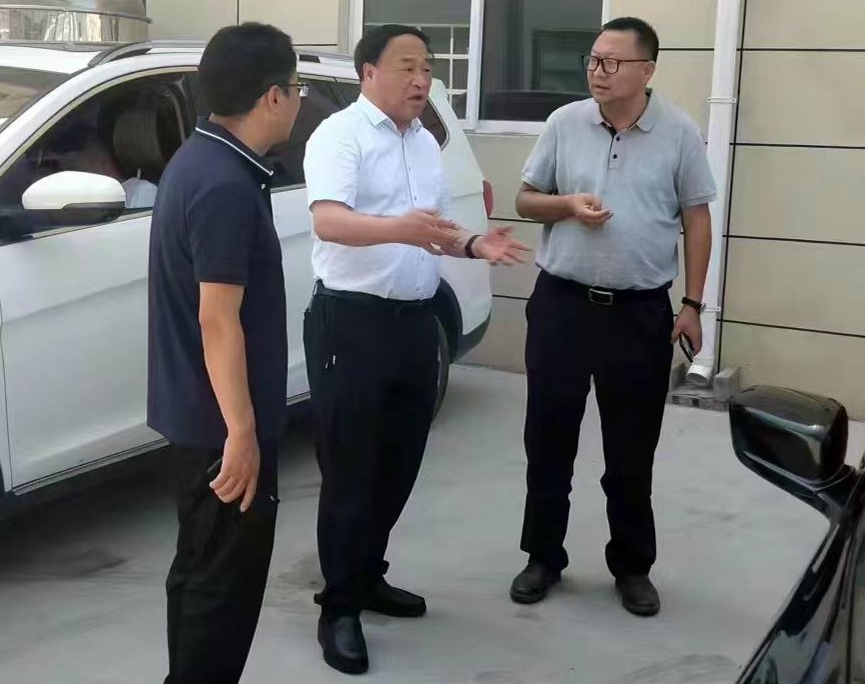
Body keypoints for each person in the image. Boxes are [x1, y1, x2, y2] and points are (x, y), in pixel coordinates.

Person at [302, 24, 529, 675]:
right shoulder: (338, 135)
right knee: (350, 469)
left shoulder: (425, 142)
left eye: (427, 68)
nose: (421, 79)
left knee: (399, 462)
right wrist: (397, 229)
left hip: (415, 322)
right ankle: (338, 608)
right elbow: (328, 220)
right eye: (407, 66)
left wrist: (472, 244)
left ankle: (368, 574)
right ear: (368, 72)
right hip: (352, 323)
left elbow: (433, 228)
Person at [508, 16, 716, 617]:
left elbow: (697, 218)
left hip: (639, 315)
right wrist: (566, 206)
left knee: (631, 451)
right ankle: (542, 556)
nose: (597, 72)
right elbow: (525, 200)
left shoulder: (679, 132)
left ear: (646, 70)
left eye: (611, 62)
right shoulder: (563, 123)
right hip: (563, 306)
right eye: (593, 60)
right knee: (548, 442)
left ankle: (632, 566)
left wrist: (692, 304)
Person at [146, 23, 303, 684]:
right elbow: (218, 319)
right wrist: (242, 433)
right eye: (296, 87)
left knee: (199, 576)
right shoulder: (224, 186)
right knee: (222, 593)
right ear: (272, 97)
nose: (298, 100)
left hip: (198, 416)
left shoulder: (201, 160)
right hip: (221, 430)